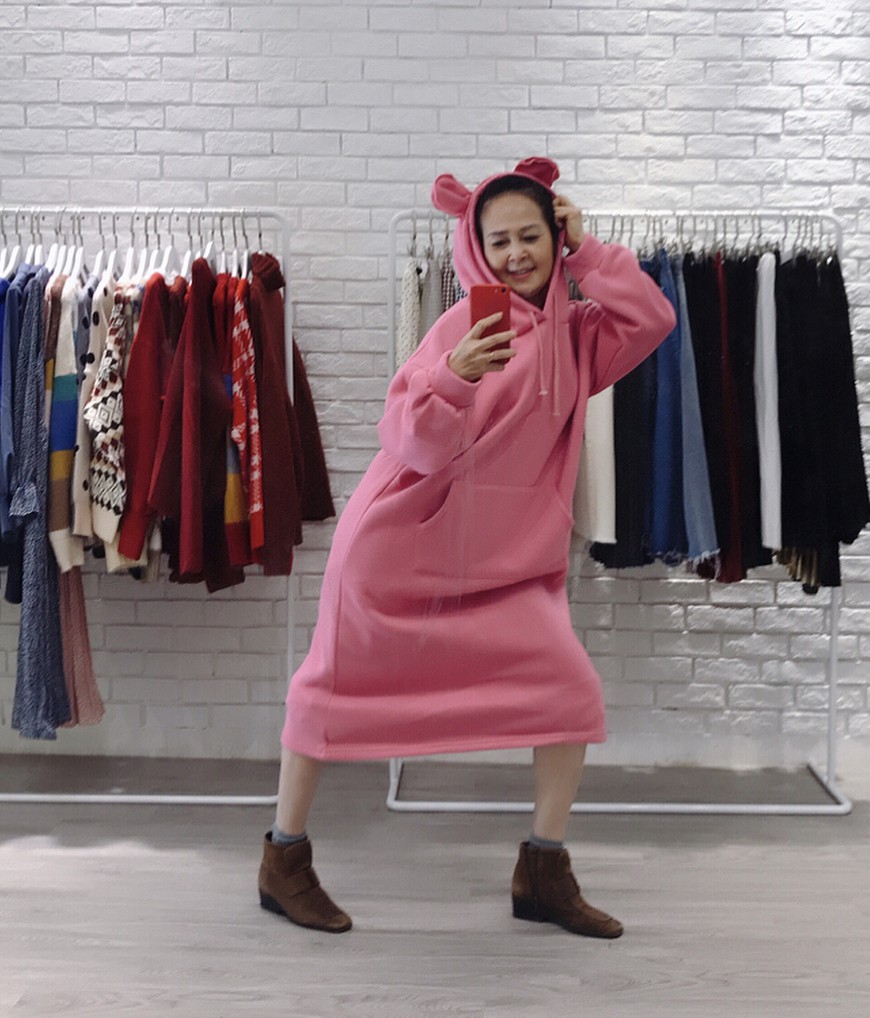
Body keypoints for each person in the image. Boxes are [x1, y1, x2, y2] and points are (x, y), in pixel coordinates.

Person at [258, 157, 676, 937]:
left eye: (531, 236)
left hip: (512, 565)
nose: (516, 254)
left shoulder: (582, 336)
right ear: (475, 250)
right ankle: (283, 861)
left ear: (555, 237)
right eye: (499, 241)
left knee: (570, 695)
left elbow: (653, 318)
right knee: (326, 693)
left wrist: (589, 252)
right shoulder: (459, 327)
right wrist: (453, 375)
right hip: (399, 548)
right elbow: (408, 440)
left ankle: (543, 872)